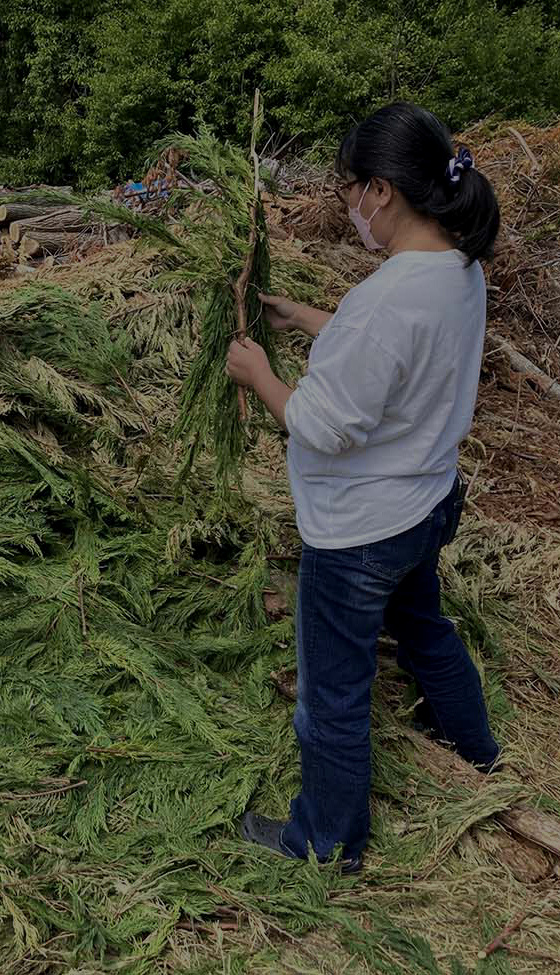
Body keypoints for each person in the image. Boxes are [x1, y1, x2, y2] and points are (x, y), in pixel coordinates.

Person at [225, 102, 502, 873]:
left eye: (348, 188)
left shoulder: (389, 299)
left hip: (359, 533)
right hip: (424, 500)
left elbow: (323, 422)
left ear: (380, 191)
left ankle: (327, 840)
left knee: (332, 693)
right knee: (423, 628)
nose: (348, 205)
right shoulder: (456, 267)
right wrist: (304, 315)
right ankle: (472, 748)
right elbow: (388, 352)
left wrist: (260, 375)